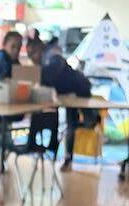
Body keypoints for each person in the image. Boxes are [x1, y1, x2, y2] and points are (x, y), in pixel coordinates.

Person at [26, 34, 96, 172]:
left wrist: (38, 75)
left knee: (87, 123)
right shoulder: (43, 61)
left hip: (79, 88)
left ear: (40, 47)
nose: (32, 58)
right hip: (66, 94)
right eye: (29, 55)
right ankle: (67, 159)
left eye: (33, 53)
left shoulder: (52, 55)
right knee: (71, 125)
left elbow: (54, 70)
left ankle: (92, 119)